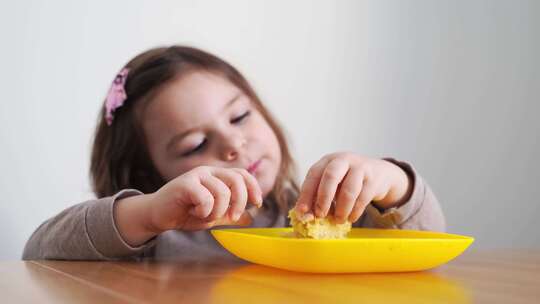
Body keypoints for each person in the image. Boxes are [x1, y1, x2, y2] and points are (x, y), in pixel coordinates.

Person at [22, 46, 445, 261]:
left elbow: (430, 242)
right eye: (195, 145)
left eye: (239, 116)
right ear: (150, 173)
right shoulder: (157, 240)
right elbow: (39, 251)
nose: (233, 144)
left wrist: (394, 182)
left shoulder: (329, 209)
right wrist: (148, 213)